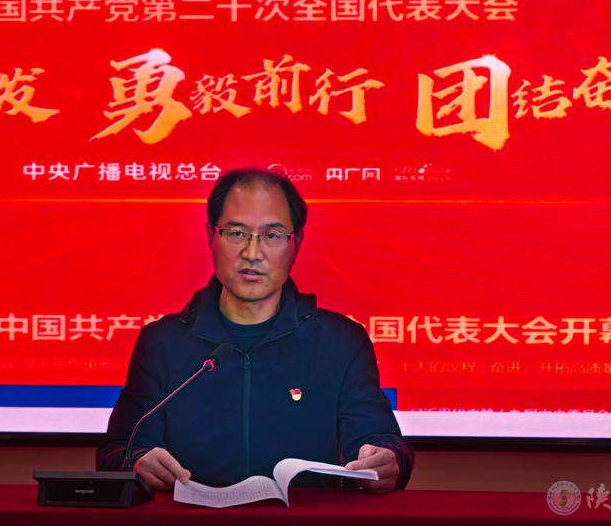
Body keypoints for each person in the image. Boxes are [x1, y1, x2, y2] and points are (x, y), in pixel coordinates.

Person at [96, 167, 413, 492]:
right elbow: (117, 450)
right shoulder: (162, 343)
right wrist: (137, 460)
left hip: (307, 515)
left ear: (296, 242)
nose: (252, 253)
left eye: (272, 235)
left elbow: (382, 444)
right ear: (211, 236)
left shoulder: (341, 343)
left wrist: (387, 461)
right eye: (236, 233)